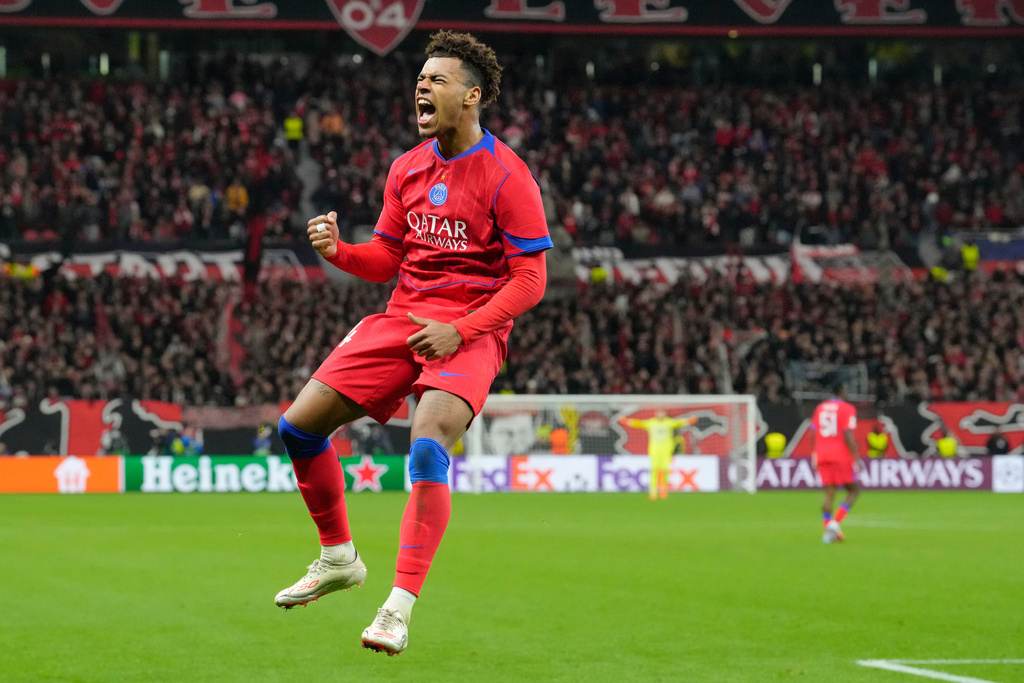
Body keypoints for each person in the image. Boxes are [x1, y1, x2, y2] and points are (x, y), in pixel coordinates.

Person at [273, 31, 551, 657]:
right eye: (420, 78)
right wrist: (338, 252)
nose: (421, 87)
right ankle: (338, 557)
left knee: (426, 447)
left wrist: (465, 329)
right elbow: (389, 258)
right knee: (298, 427)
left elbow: (531, 279)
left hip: (469, 327)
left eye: (437, 79)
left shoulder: (509, 176)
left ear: (471, 96)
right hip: (404, 317)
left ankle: (397, 607)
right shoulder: (407, 167)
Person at [809, 384, 863, 543]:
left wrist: (814, 454)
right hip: (840, 455)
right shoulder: (847, 408)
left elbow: (813, 432)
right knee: (853, 490)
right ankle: (834, 523)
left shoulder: (820, 408)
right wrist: (856, 457)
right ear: (842, 392)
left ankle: (829, 533)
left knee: (829, 493)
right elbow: (847, 433)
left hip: (822, 454)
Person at [620, 410, 697, 500]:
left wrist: (689, 421)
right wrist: (626, 421)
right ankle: (653, 491)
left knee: (664, 470)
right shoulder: (651, 423)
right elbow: (639, 424)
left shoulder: (669, 422)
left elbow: (679, 423)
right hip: (655, 450)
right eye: (659, 413)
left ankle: (663, 490)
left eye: (662, 413)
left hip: (666, 450)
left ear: (665, 415)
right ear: (656, 415)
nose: (660, 415)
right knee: (654, 470)